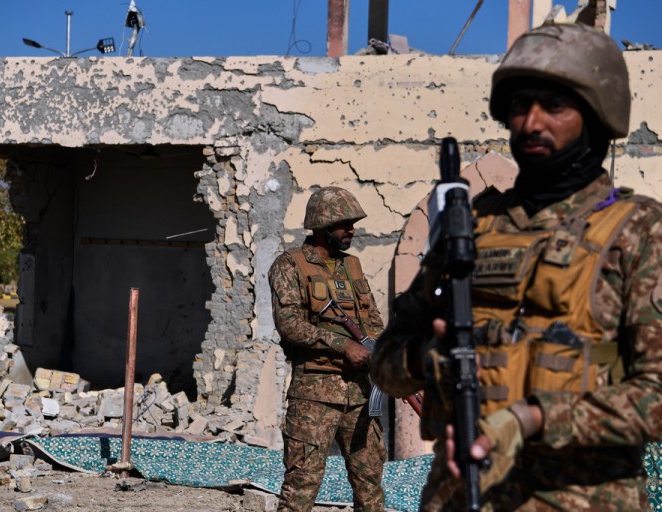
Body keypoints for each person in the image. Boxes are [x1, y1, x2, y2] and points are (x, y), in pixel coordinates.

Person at [370, 22, 662, 511]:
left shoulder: (639, 231)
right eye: (520, 106)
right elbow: (385, 363)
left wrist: (533, 418)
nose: (530, 123)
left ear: (597, 114)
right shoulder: (471, 227)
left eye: (554, 106)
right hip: (460, 496)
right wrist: (431, 359)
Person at [269, 186, 387, 512]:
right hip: (314, 395)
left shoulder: (353, 267)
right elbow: (289, 324)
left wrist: (382, 350)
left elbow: (373, 321)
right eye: (345, 224)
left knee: (370, 484)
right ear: (322, 226)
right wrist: (341, 344)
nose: (352, 230)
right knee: (301, 487)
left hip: (360, 394)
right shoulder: (289, 265)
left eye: (353, 224)